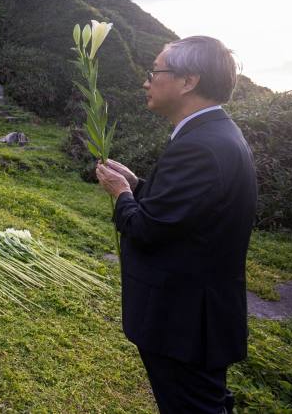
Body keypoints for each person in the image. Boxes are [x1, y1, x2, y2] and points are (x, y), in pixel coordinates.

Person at [95, 36, 257, 413]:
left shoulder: (199, 145)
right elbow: (187, 211)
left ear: (189, 81)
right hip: (196, 317)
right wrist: (137, 186)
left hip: (184, 321)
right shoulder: (213, 135)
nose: (146, 81)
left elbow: (148, 230)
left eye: (155, 72)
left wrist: (121, 195)